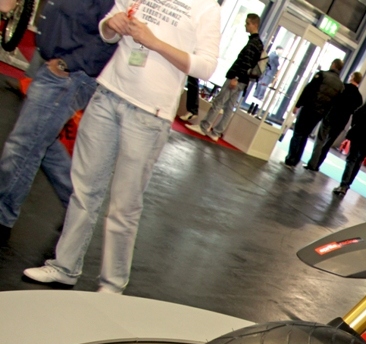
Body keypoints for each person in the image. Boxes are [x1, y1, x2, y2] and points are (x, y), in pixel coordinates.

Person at [22, 0, 221, 293]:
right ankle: (65, 267)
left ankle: (112, 285)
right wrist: (110, 26)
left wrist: (154, 43)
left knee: (124, 206)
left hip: (149, 113)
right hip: (108, 95)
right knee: (84, 191)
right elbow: (108, 26)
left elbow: (206, 66)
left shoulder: (206, 8)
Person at [0, 0, 118, 240]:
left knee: (23, 146)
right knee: (41, 141)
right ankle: (77, 208)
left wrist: (67, 65)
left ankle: (3, 217)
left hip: (68, 76)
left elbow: (109, 40)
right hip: (54, 68)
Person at [187, 13, 262, 143]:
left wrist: (235, 78)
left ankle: (204, 127)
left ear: (255, 25)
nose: (246, 25)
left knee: (219, 102)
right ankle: (216, 132)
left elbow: (245, 63)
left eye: (248, 23)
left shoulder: (252, 44)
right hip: (243, 81)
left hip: (237, 79)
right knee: (229, 107)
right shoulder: (258, 44)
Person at [284, 59, 344, 167]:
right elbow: (334, 104)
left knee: (298, 132)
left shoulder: (322, 75)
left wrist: (298, 104)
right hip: (319, 113)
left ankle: (291, 158)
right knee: (305, 135)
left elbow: (308, 90)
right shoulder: (340, 86)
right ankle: (296, 159)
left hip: (309, 108)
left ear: (333, 65)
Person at [305, 71, 363, 172]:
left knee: (320, 139)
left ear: (352, 77)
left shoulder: (343, 87)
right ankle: (317, 165)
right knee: (328, 144)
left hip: (330, 116)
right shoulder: (359, 97)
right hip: (341, 122)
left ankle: (312, 163)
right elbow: (355, 112)